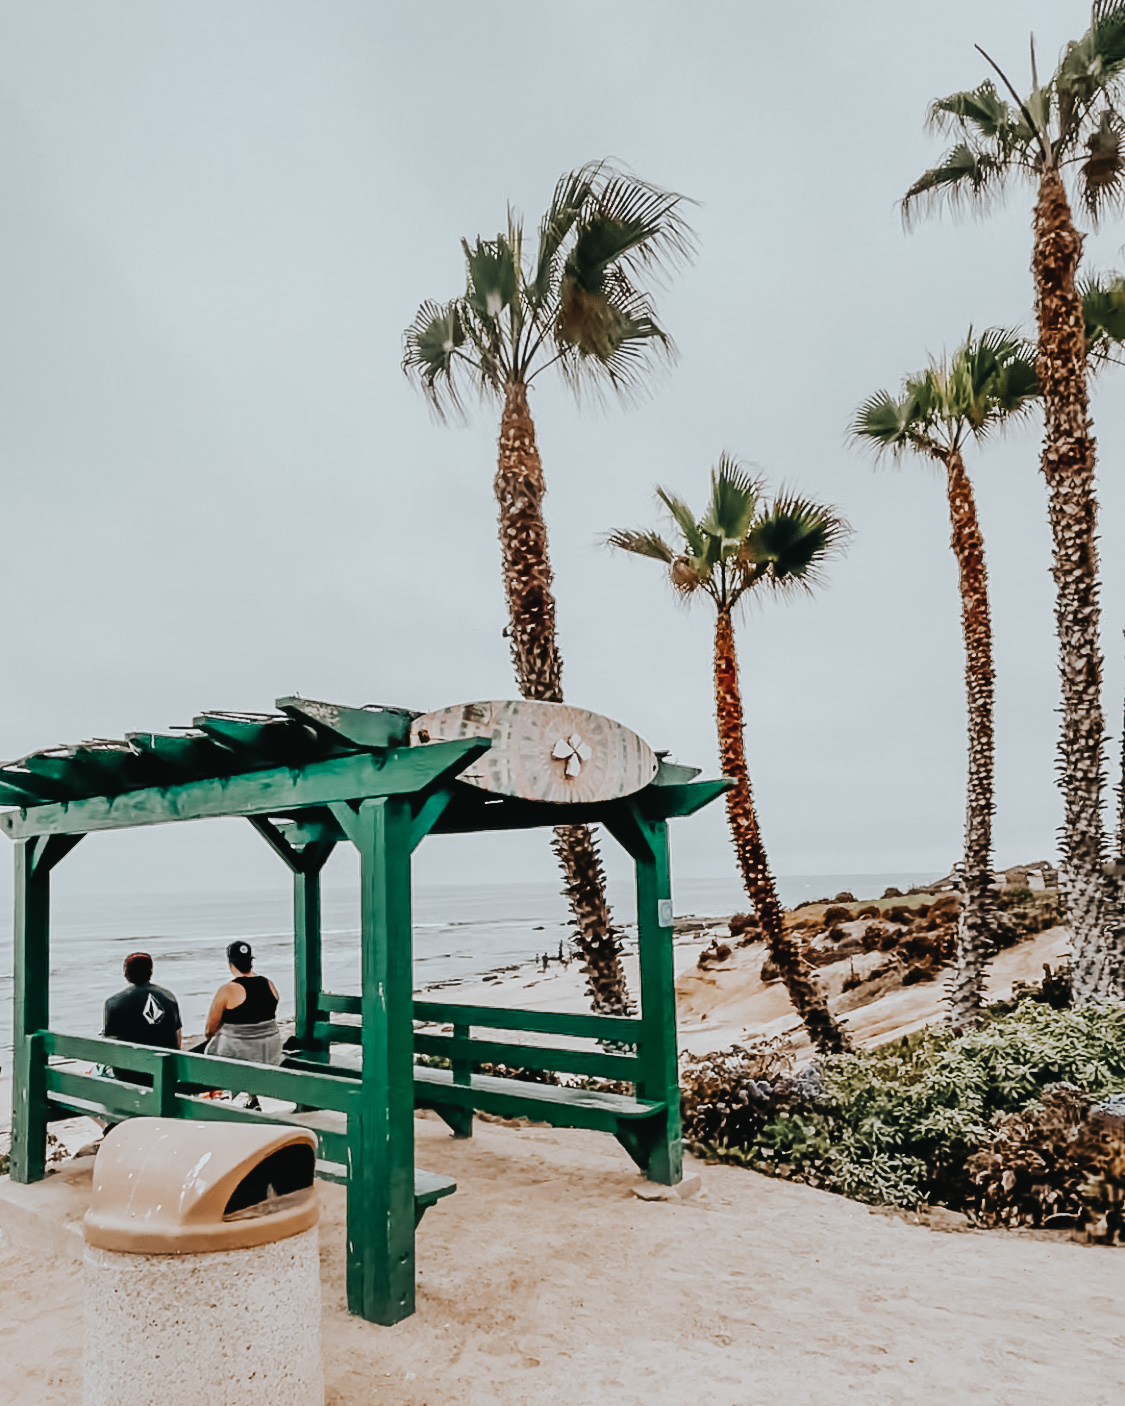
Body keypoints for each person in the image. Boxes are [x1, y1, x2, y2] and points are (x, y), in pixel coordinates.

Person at [102, 952, 181, 1083]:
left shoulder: (114, 1002)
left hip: (129, 1072)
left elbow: (110, 1045)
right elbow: (177, 1037)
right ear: (150, 971)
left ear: (127, 974)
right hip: (164, 1068)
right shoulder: (169, 997)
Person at [204, 940, 282, 1067]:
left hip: (240, 1052)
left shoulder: (228, 990)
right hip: (269, 1050)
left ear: (230, 964)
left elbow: (210, 1029)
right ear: (251, 962)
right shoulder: (269, 984)